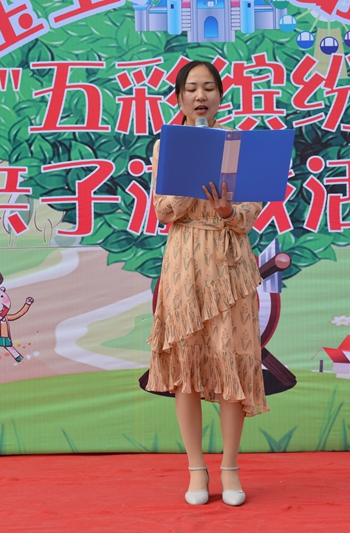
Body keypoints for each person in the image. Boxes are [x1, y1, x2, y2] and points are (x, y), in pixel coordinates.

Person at [146, 60, 268, 506]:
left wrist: (226, 211)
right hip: (185, 261)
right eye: (192, 88)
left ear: (220, 97)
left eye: (209, 88)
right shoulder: (167, 146)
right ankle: (196, 471)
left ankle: (230, 469)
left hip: (230, 263)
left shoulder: (238, 145)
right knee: (188, 369)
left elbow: (251, 211)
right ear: (179, 97)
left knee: (231, 361)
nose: (201, 96)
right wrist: (190, 184)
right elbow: (162, 211)